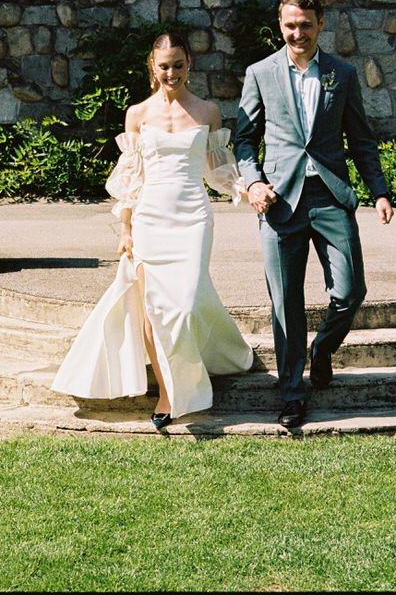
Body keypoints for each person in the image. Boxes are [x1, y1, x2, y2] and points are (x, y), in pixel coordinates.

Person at [50, 33, 255, 430]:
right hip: (149, 218)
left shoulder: (208, 111)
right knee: (152, 309)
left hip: (193, 217)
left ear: (189, 63)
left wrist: (249, 189)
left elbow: (218, 170)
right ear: (152, 68)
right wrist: (125, 230)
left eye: (178, 64)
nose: (171, 73)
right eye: (164, 66)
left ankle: (201, 363)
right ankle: (166, 392)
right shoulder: (137, 114)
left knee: (187, 304)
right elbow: (131, 179)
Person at [234, 0, 395, 429]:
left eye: (306, 24)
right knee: (285, 305)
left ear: (321, 23)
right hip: (279, 201)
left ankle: (322, 350)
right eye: (290, 25)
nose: (298, 33)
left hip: (329, 197)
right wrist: (253, 182)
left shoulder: (342, 73)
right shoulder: (260, 73)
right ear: (280, 25)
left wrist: (380, 192)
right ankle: (292, 394)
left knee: (350, 291)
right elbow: (244, 139)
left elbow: (360, 139)